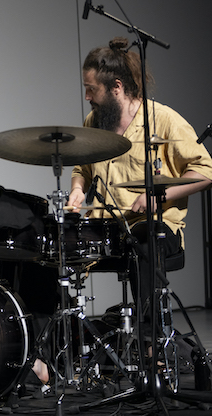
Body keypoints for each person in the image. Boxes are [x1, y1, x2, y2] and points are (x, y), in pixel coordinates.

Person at [67, 37, 212, 330]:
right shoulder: (93, 121)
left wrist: (160, 197)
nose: (87, 96)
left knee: (145, 238)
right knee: (48, 241)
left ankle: (151, 344)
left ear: (116, 87)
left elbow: (205, 171)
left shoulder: (164, 120)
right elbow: (82, 166)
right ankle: (58, 345)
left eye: (91, 89)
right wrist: (78, 189)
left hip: (155, 228)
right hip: (107, 227)